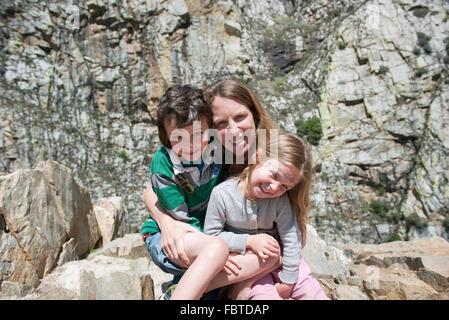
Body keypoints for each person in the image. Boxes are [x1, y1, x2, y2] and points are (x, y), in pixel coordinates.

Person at [141, 79, 302, 299]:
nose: (234, 130)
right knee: (216, 255)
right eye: (222, 123)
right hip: (201, 238)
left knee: (269, 259)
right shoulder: (211, 151)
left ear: (254, 115)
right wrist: (166, 222)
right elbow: (152, 190)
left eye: (240, 117)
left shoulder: (277, 162)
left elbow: (294, 231)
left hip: (232, 247)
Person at [204, 134, 330, 300]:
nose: (274, 188)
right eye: (274, 175)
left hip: (282, 261)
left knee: (310, 290)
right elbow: (211, 236)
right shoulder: (222, 195)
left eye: (284, 186)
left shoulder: (280, 201)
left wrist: (288, 281)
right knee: (262, 295)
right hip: (251, 263)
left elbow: (291, 239)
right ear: (257, 157)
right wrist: (249, 241)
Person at [141, 84, 230, 299]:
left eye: (198, 134)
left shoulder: (218, 150)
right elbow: (182, 220)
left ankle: (177, 292)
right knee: (217, 251)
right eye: (178, 138)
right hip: (172, 235)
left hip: (206, 233)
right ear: (166, 136)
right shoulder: (164, 165)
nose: (190, 145)